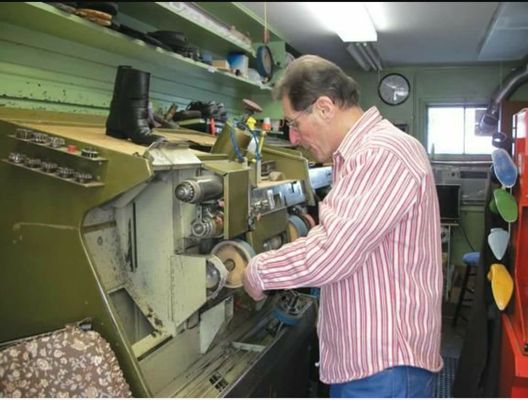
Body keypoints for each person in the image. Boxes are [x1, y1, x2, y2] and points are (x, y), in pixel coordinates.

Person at [243, 55, 443, 398]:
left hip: (384, 368)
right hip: (371, 364)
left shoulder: (381, 153)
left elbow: (332, 252)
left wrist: (258, 271)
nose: (293, 138)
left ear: (324, 107)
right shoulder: (357, 156)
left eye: (293, 122)